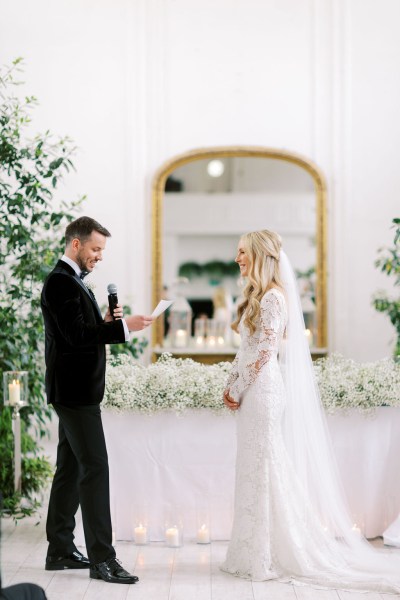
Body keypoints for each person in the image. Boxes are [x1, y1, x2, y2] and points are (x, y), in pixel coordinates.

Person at [221, 230, 400, 593]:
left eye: (242, 252)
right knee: (256, 465)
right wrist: (231, 381)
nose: (237, 257)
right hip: (251, 388)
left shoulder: (273, 297)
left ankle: (266, 552)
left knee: (265, 464)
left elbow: (266, 351)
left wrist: (238, 386)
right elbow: (248, 350)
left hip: (262, 390)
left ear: (258, 255)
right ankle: (254, 549)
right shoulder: (258, 296)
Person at [41, 216, 153, 585]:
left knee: (71, 468)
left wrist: (106, 322)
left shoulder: (72, 281)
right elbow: (75, 336)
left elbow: (81, 331)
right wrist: (122, 327)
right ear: (76, 244)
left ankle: (59, 549)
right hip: (74, 394)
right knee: (96, 469)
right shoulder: (60, 282)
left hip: (76, 391)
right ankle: (102, 559)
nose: (99, 256)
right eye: (95, 249)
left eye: (101, 250)